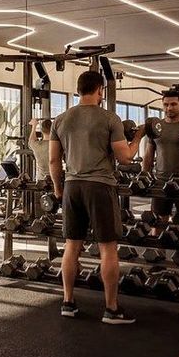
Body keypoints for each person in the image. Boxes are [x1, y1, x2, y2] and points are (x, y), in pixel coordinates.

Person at [49, 70, 144, 324]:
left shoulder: (61, 120)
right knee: (108, 248)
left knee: (72, 245)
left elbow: (53, 161)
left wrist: (58, 189)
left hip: (72, 186)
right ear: (100, 90)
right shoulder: (109, 118)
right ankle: (111, 309)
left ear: (79, 90)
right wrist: (138, 137)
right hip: (100, 186)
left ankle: (68, 302)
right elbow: (126, 157)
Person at [141, 90, 179, 239]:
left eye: (173, 104)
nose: (169, 108)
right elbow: (149, 154)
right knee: (157, 222)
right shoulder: (156, 127)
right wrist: (145, 176)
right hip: (160, 182)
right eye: (166, 105)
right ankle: (158, 252)